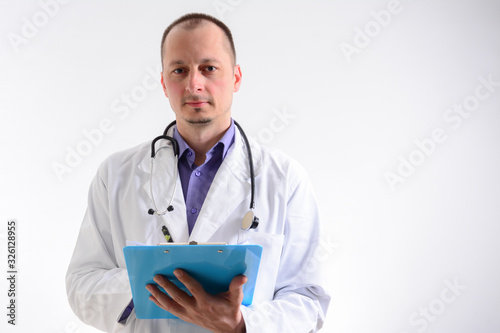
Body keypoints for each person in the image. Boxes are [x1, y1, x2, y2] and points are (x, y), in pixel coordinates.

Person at [66, 12, 330, 333]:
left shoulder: (285, 179)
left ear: (235, 78)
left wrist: (242, 324)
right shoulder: (117, 174)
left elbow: (308, 299)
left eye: (209, 68)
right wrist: (150, 283)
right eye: (179, 70)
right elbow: (82, 282)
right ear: (164, 83)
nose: (194, 84)